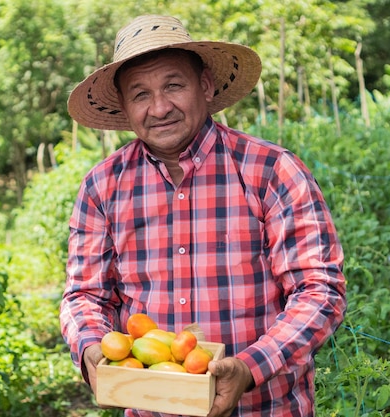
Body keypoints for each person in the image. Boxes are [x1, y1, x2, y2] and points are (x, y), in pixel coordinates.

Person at [60, 14, 346, 417]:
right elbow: (84, 295)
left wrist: (249, 367)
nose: (159, 108)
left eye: (173, 85)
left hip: (264, 407)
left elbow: (320, 290)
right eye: (140, 94)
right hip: (151, 409)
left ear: (206, 85)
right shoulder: (102, 187)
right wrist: (90, 344)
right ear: (124, 107)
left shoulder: (271, 170)